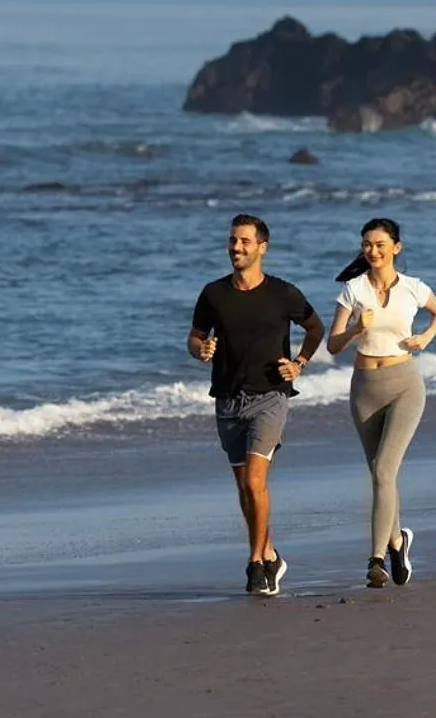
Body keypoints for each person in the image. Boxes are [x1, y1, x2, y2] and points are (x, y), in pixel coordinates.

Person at [188, 213, 324, 597]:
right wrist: (203, 350)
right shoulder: (213, 294)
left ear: (262, 247)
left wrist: (299, 363)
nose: (236, 247)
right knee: (245, 489)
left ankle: (255, 564)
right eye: (233, 240)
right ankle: (270, 553)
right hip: (227, 400)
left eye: (245, 241)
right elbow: (194, 338)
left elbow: (315, 328)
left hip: (269, 396)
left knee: (254, 480)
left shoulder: (283, 294)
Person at [324, 217, 436, 588]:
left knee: (383, 472)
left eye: (380, 245)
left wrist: (426, 337)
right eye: (367, 245)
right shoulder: (352, 289)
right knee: (380, 475)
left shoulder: (413, 288)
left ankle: (375, 559)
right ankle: (398, 541)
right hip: (364, 387)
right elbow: (332, 345)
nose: (372, 251)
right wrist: (355, 329)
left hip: (404, 385)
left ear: (396, 247)